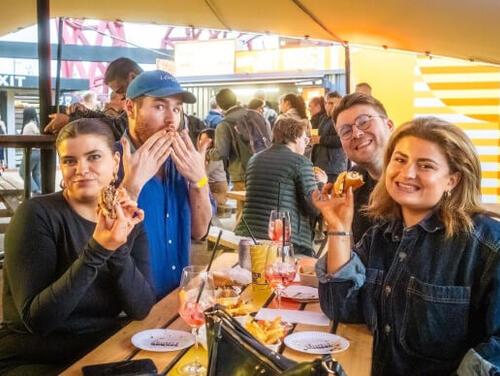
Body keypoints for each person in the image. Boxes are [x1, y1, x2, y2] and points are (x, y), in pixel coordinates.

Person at [313, 117, 500, 375]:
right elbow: (341, 307)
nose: (406, 173)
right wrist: (338, 227)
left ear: (452, 180)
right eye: (400, 160)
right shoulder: (379, 236)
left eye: (425, 165)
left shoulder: (487, 245)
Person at [0, 118, 155, 375]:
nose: (81, 169)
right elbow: (39, 321)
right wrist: (98, 250)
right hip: (33, 357)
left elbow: (141, 307)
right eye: (70, 161)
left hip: (100, 352)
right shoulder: (37, 214)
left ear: (116, 162)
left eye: (94, 157)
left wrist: (117, 248)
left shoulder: (127, 219)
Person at [118, 70, 212, 298]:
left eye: (177, 108)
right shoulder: (109, 161)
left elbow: (199, 232)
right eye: (160, 107)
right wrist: (129, 187)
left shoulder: (183, 161)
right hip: (131, 309)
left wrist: (200, 181)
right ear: (130, 108)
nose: (172, 119)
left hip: (178, 298)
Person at [235, 117, 326, 256]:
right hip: (285, 241)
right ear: (295, 137)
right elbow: (314, 207)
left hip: (249, 235)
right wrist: (321, 183)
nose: (305, 144)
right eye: (304, 139)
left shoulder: (255, 159)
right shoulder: (300, 162)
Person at [332, 93, 394, 243]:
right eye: (346, 131)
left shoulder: (413, 182)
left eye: (364, 122)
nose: (356, 133)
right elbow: (353, 251)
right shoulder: (353, 183)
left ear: (389, 126)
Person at [44, 57, 143, 139]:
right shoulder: (144, 96)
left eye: (122, 91)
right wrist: (87, 113)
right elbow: (116, 124)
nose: (123, 97)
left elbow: (119, 129)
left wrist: (70, 121)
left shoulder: (147, 98)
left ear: (132, 77)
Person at [209, 88, 271, 191]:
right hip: (266, 169)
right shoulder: (257, 115)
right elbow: (269, 137)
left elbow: (221, 153)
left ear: (219, 105)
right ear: (235, 99)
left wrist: (208, 153)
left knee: (244, 205)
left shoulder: (224, 124)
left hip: (243, 174)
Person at [311, 91, 346, 183]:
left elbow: (342, 139)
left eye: (333, 103)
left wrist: (321, 139)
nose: (331, 106)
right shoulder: (323, 118)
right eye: (328, 103)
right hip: (320, 164)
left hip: (334, 167)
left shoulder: (341, 118)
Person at [197, 128, 227, 214]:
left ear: (212, 140)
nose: (201, 142)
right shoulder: (205, 153)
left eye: (205, 140)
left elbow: (205, 173)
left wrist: (198, 186)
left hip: (217, 187)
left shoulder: (216, 156)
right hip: (209, 184)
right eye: (200, 139)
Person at [19, 107, 41, 195]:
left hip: (31, 152)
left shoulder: (28, 126)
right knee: (36, 174)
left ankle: (36, 190)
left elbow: (25, 140)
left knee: (22, 172)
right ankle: (39, 195)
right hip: (39, 152)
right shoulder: (37, 124)